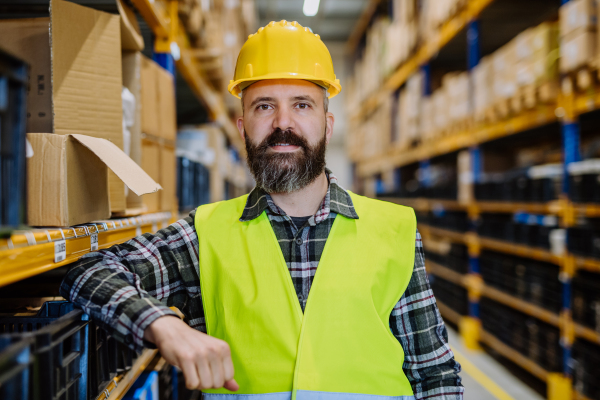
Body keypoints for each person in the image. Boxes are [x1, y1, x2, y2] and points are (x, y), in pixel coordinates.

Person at [61, 20, 463, 400]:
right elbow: (87, 271)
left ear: (328, 124)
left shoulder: (393, 230)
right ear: (242, 128)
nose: (282, 123)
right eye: (264, 106)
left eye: (302, 105)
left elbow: (434, 375)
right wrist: (160, 324)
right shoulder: (206, 234)